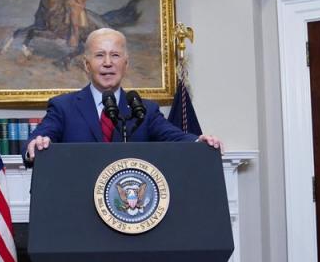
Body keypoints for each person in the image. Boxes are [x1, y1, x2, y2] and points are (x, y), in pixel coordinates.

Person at [24, 28, 223, 163]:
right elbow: (35, 140)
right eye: (100, 55)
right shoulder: (63, 107)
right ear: (86, 64)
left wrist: (199, 143)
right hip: (78, 207)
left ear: (125, 65)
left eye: (115, 55)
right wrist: (36, 145)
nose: (108, 63)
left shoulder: (145, 109)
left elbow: (175, 137)